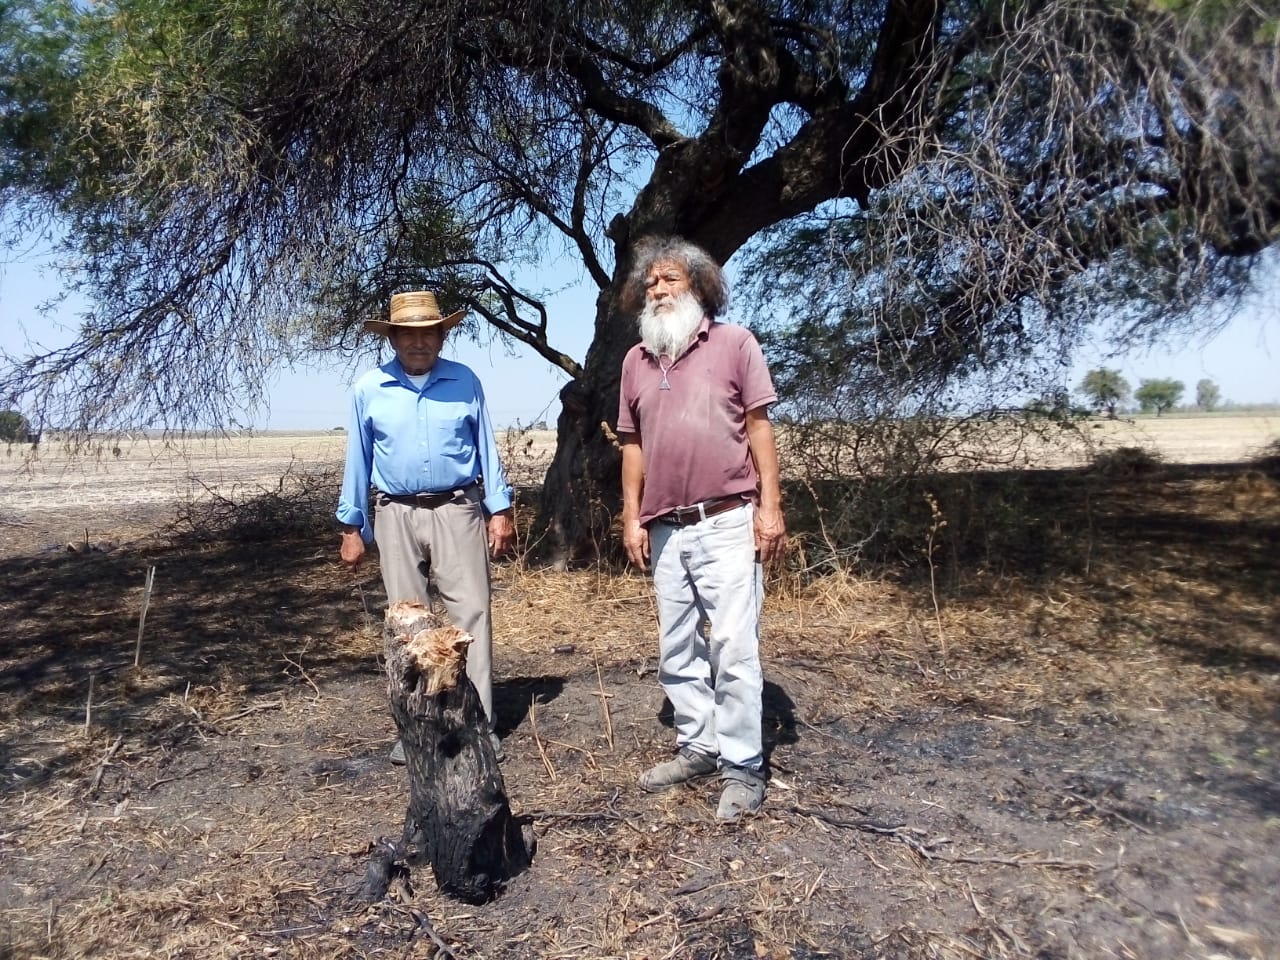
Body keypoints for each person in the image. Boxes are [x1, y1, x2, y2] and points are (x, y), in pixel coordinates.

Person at [616, 236, 787, 821]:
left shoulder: (736, 344)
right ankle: (699, 746)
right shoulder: (635, 360)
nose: (660, 291)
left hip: (728, 519)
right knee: (675, 648)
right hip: (665, 528)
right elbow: (632, 446)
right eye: (652, 284)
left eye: (672, 281)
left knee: (734, 648)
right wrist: (632, 515)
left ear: (700, 286)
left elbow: (760, 429)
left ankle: (743, 765)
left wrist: (771, 507)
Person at [337, 290, 515, 762]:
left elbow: (486, 448)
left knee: (471, 615)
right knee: (406, 622)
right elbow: (358, 458)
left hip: (459, 508)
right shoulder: (369, 389)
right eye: (408, 334)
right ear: (393, 337)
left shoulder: (465, 381)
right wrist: (351, 525)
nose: (419, 342)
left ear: (441, 335)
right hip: (394, 512)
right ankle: (418, 726)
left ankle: (478, 726)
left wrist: (500, 510)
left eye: (428, 333)